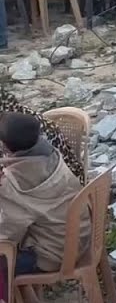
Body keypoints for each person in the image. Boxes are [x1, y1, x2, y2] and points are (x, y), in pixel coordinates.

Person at [0, 113, 89, 284]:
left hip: (53, 255)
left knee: (5, 257)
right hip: (80, 235)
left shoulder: (14, 183)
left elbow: (7, 235)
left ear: (5, 146)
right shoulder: (51, 154)